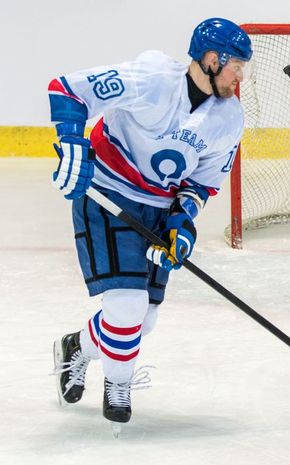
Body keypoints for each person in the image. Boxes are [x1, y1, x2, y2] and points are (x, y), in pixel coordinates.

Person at [49, 18, 252, 428]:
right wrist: (71, 142)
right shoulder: (154, 78)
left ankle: (76, 347)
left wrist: (182, 221)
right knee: (126, 307)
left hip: (157, 209)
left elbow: (201, 182)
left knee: (143, 319)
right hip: (107, 193)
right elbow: (68, 89)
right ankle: (119, 386)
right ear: (212, 59)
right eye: (236, 65)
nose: (240, 75)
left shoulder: (229, 118)